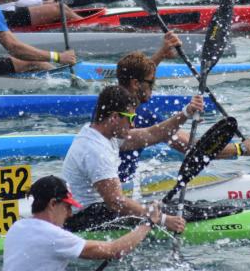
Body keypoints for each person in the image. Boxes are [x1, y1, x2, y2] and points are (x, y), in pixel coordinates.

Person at [117, 33, 250, 182]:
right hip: (119, 192)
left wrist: (161, 54)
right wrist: (240, 149)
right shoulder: (143, 116)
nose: (154, 86)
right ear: (135, 84)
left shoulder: (109, 101)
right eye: (151, 82)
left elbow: (135, 79)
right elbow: (193, 149)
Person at [62, 84, 203, 233]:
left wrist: (186, 113)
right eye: (131, 118)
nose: (133, 124)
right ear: (115, 117)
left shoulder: (102, 133)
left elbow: (153, 133)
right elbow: (117, 202)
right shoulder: (95, 150)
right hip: (87, 220)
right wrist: (163, 219)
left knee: (178, 206)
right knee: (175, 212)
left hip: (94, 211)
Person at [3, 175, 156, 271]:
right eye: (67, 207)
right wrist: (147, 223)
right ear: (53, 204)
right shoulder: (54, 237)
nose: (70, 213)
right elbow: (114, 250)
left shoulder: (17, 227)